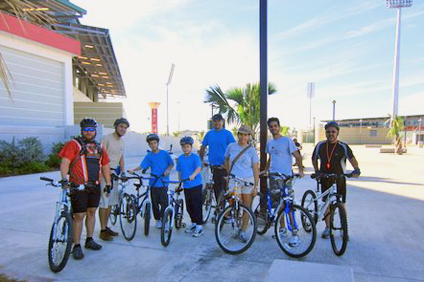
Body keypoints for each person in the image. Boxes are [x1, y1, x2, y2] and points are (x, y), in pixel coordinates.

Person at [58, 118, 111, 260]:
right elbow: (65, 162)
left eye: (91, 129)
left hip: (95, 186)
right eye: (86, 129)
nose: (89, 132)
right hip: (78, 186)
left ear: (95, 131)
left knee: (92, 212)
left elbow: (105, 165)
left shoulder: (99, 147)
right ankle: (76, 245)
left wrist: (108, 183)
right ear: (82, 130)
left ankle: (89, 240)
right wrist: (64, 179)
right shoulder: (73, 144)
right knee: (79, 215)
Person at [312, 121, 360, 239]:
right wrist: (317, 171)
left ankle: (344, 229)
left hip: (339, 178)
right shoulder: (320, 145)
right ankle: (328, 227)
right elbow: (314, 158)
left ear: (337, 132)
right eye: (328, 132)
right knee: (326, 203)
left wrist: (356, 169)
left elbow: (352, 159)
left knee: (341, 204)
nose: (330, 134)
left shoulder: (343, 146)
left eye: (333, 132)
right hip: (325, 178)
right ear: (325, 133)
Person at [261, 117, 304, 244]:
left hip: (287, 177)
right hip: (274, 177)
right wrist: (266, 169)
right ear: (269, 128)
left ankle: (294, 232)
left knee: (289, 205)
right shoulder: (270, 143)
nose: (273, 128)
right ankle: (282, 228)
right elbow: (270, 157)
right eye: (271, 126)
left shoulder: (287, 141)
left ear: (279, 126)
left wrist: (300, 170)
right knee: (277, 204)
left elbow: (297, 155)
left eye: (275, 126)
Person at [128, 134, 174, 229]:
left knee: (164, 203)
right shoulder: (149, 156)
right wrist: (133, 169)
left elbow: (171, 164)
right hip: (153, 183)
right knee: (155, 203)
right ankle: (158, 220)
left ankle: (165, 221)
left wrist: (167, 170)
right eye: (151, 144)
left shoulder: (164, 154)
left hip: (163, 182)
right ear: (149, 145)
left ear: (157, 143)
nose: (153, 145)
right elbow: (142, 166)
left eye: (154, 143)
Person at [224, 125, 259, 242]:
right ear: (238, 135)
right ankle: (233, 220)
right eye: (241, 134)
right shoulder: (231, 146)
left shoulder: (252, 150)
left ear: (249, 136)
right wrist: (228, 173)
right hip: (235, 179)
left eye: (246, 135)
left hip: (248, 180)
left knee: (247, 207)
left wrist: (256, 186)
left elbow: (255, 169)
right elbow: (226, 160)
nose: (243, 137)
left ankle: (243, 230)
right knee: (235, 201)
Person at [98, 118, 129, 241]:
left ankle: (106, 227)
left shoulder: (122, 142)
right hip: (105, 173)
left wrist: (123, 171)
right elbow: (100, 156)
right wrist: (106, 171)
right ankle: (102, 229)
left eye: (125, 128)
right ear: (115, 126)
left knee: (111, 202)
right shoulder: (106, 138)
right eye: (121, 126)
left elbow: (121, 157)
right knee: (104, 202)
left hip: (115, 174)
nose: (123, 129)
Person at [199, 114, 236, 202]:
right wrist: (201, 160)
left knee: (225, 191)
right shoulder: (209, 134)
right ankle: (219, 210)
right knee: (216, 190)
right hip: (213, 167)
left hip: (225, 167)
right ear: (212, 122)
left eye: (219, 121)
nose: (217, 123)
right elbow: (202, 148)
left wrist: (228, 163)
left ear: (222, 122)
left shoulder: (228, 134)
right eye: (215, 121)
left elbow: (234, 149)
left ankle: (225, 212)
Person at [176, 136, 204, 237]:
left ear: (191, 147)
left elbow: (199, 168)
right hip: (186, 186)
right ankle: (193, 223)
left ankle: (199, 226)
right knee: (189, 207)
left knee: (197, 206)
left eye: (187, 147)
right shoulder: (180, 158)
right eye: (184, 147)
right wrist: (179, 183)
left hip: (196, 185)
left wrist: (193, 175)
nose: (185, 149)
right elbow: (179, 171)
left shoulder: (195, 157)